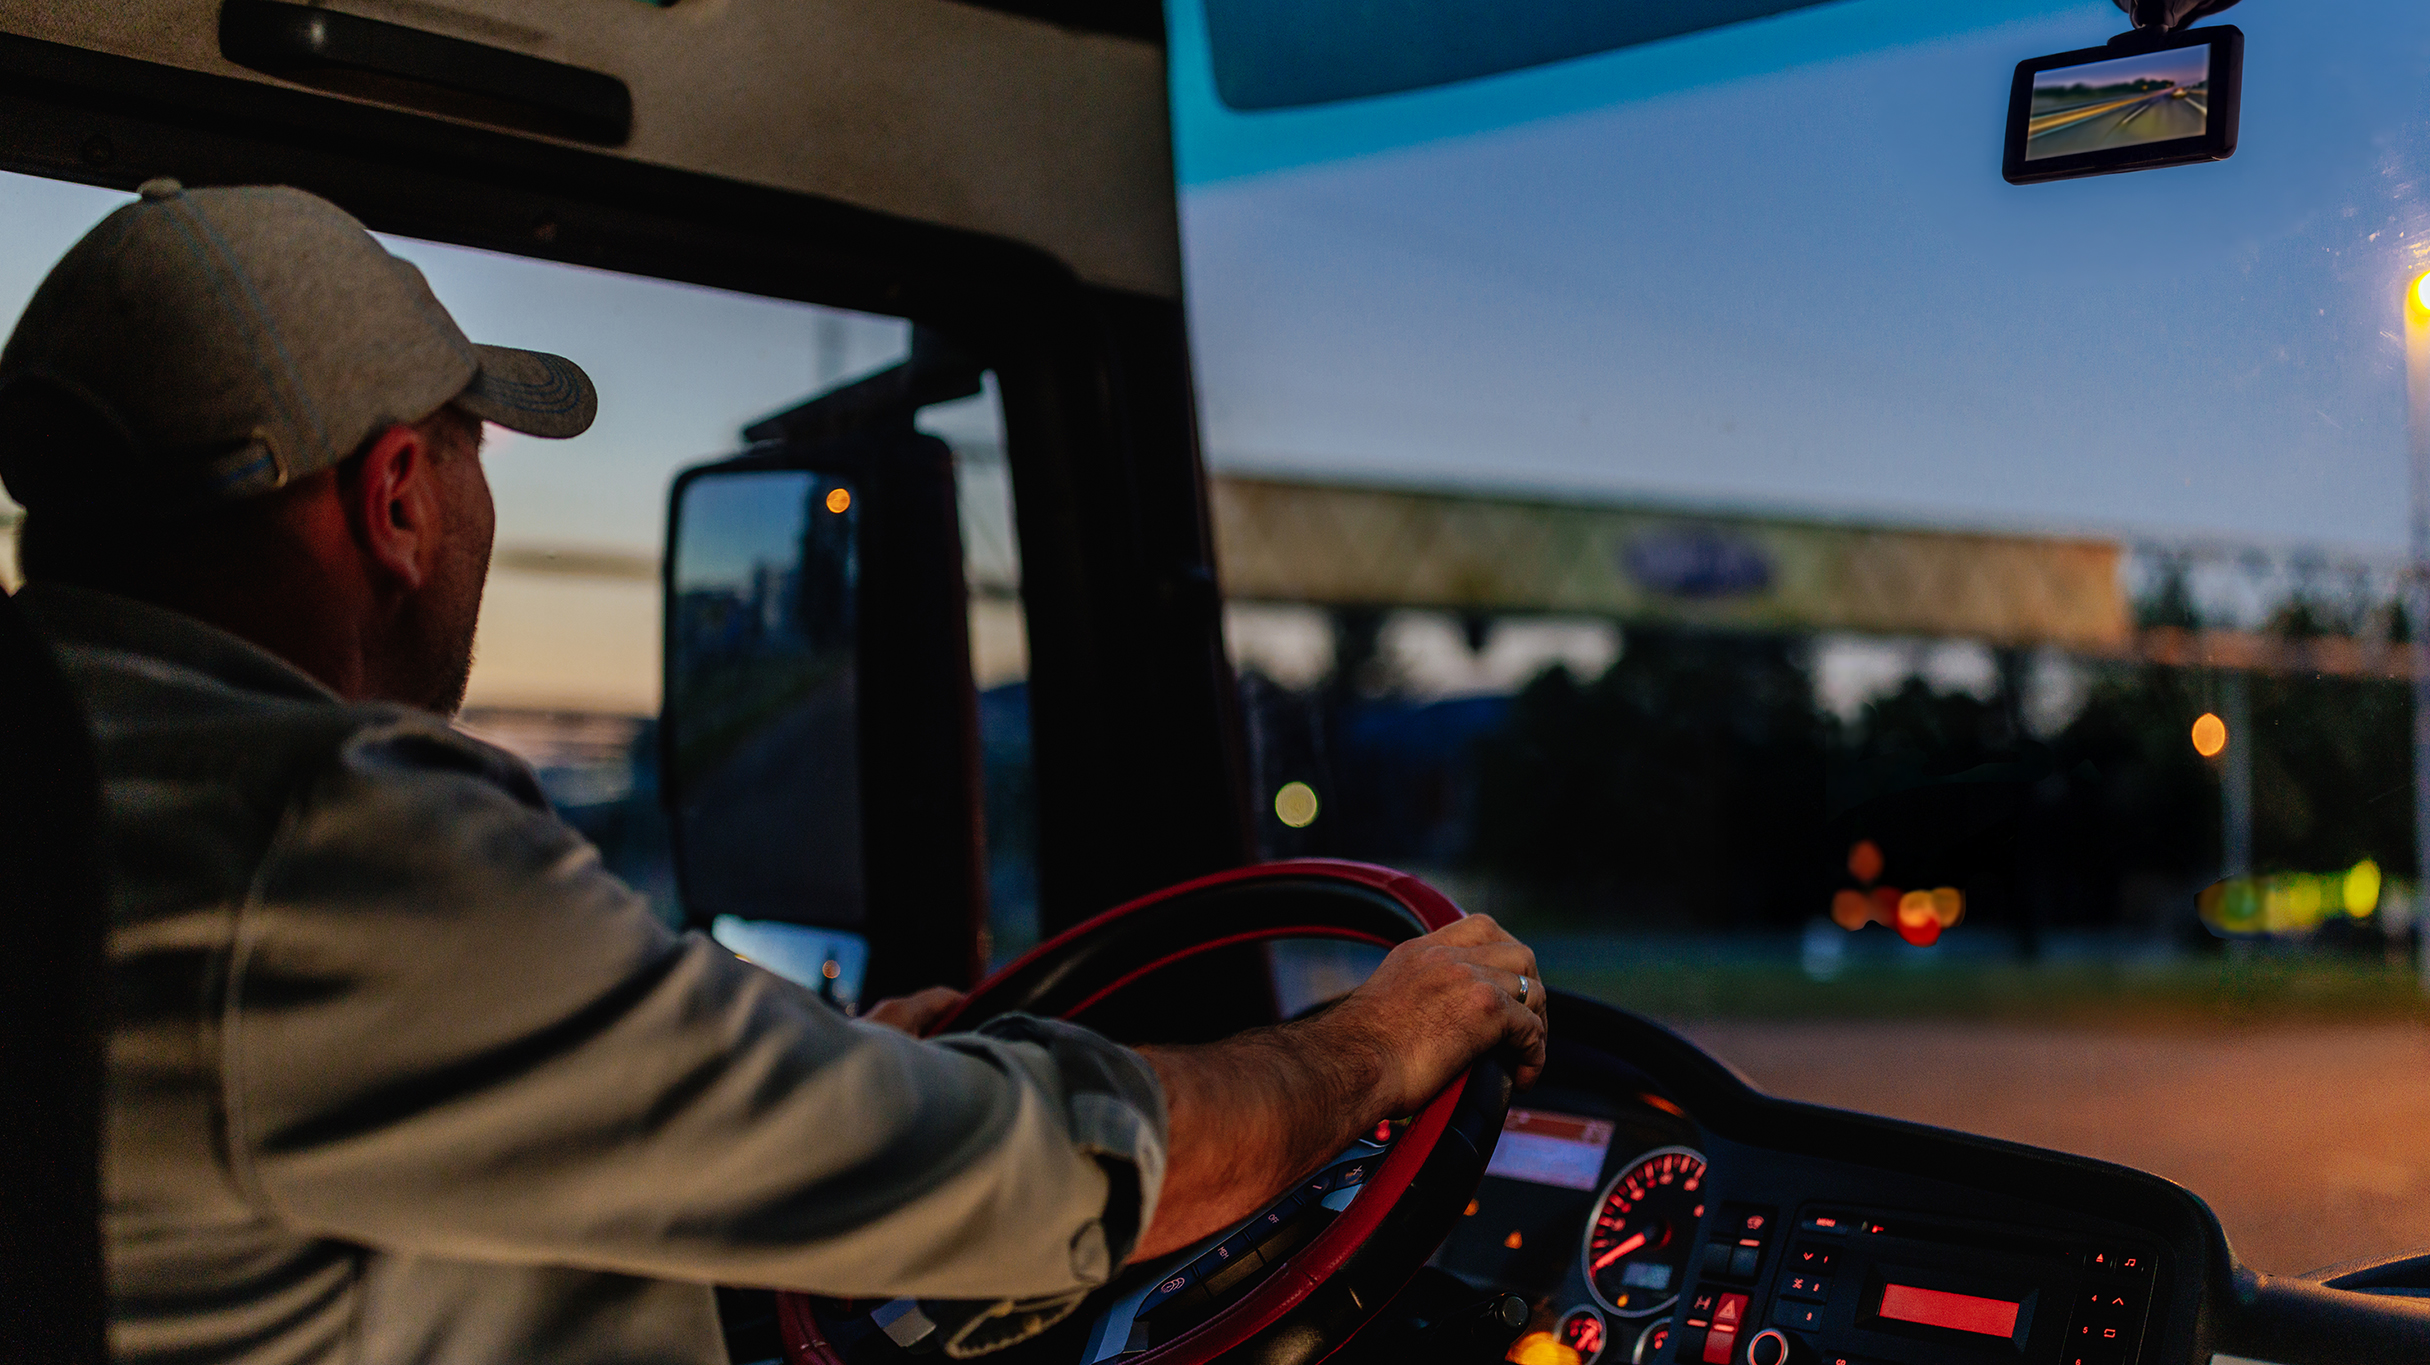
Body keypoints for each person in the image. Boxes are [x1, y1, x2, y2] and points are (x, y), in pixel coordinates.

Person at [0, 180, 1549, 1364]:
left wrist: (815, 1072)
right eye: (474, 451)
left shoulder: (87, 782)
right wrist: (1374, 1040)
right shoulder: (327, 836)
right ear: (398, 497)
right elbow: (1019, 1172)